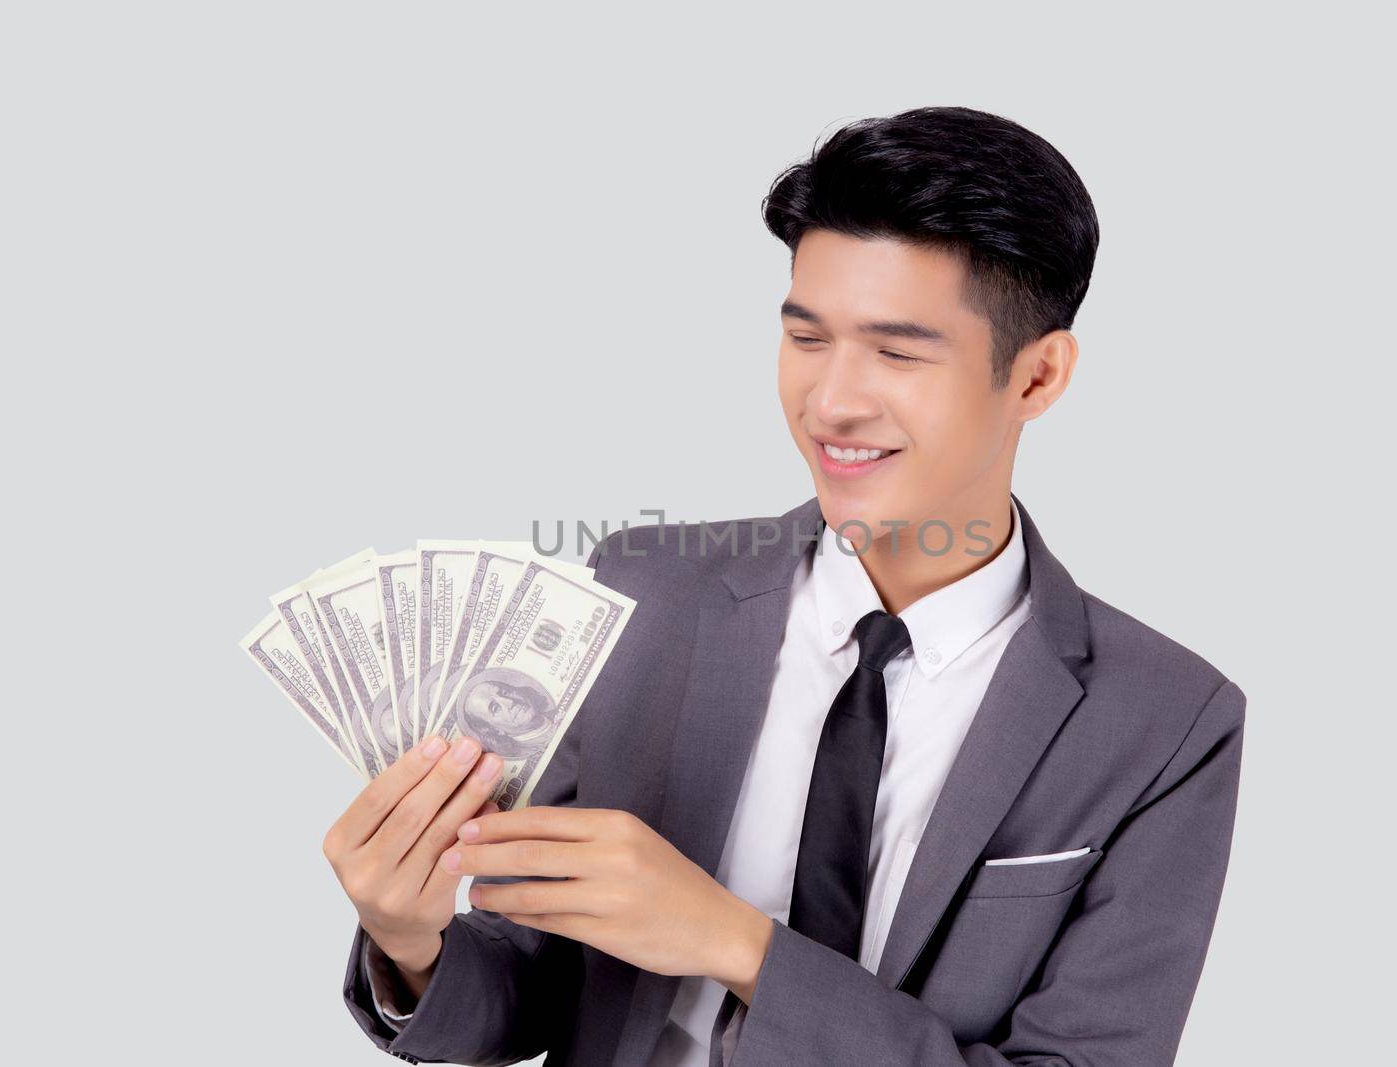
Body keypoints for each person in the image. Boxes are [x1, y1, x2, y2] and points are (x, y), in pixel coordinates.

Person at [322, 105, 1246, 1066]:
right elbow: (536, 985)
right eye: (807, 337)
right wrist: (410, 941)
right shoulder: (647, 594)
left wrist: (738, 944)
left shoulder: (1168, 722)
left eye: (897, 352)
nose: (832, 402)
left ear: (1039, 377)